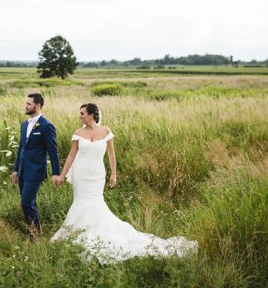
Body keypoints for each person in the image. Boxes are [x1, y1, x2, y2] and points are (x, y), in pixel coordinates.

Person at [51, 103, 198, 263]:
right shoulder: (78, 133)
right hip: (81, 174)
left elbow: (111, 155)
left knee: (96, 202)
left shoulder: (106, 132)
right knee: (81, 201)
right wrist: (61, 175)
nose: (79, 116)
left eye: (82, 113)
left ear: (92, 115)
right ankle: (76, 230)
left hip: (97, 175)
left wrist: (113, 174)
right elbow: (72, 156)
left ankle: (95, 230)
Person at [12, 93, 61, 240]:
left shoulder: (47, 126)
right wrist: (15, 169)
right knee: (29, 203)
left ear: (37, 106)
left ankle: (35, 235)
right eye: (25, 103)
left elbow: (53, 151)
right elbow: (21, 148)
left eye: (28, 104)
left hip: (35, 171)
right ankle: (33, 232)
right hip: (22, 170)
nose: (25, 106)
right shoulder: (24, 124)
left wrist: (56, 173)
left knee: (26, 202)